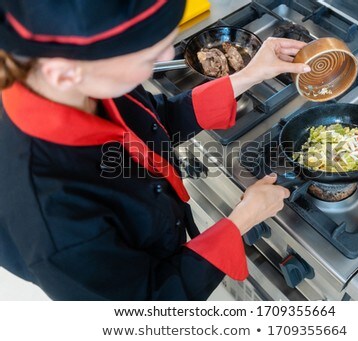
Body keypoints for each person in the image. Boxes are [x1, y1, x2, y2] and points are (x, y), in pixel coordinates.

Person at [0, 0, 310, 300]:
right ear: (64, 73)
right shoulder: (52, 220)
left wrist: (248, 75)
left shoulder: (83, 81)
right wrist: (241, 221)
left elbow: (153, 122)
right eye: (146, 57)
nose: (165, 54)